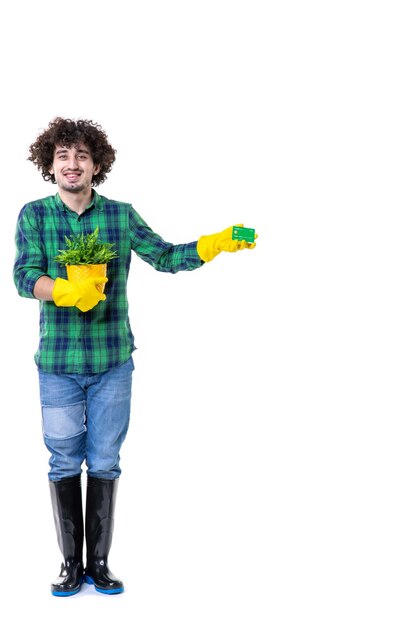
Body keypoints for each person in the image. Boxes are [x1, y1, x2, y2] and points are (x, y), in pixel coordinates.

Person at [13, 117, 256, 597]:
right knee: (63, 461)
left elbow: (164, 257)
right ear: (50, 165)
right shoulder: (34, 215)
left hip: (112, 362)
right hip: (58, 364)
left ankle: (99, 564)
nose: (72, 164)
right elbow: (24, 277)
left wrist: (213, 244)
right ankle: (69, 565)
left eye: (82, 155)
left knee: (104, 458)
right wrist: (63, 290)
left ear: (97, 164)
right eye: (63, 156)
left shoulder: (120, 216)